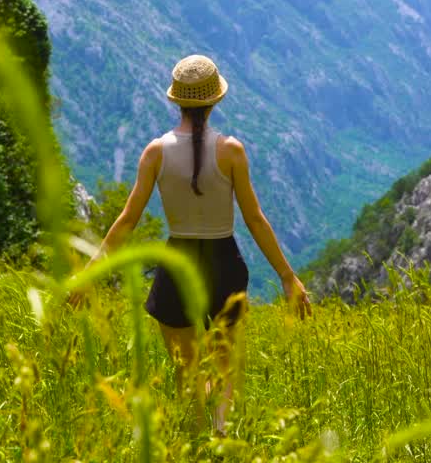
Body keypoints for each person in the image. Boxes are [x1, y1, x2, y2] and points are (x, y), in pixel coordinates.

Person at [70, 54, 312, 435]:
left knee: (187, 370)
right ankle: (221, 433)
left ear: (176, 100)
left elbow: (128, 220)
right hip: (224, 263)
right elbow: (255, 219)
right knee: (223, 366)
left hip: (177, 264)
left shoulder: (155, 152)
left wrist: (90, 273)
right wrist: (287, 276)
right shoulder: (232, 151)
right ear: (216, 100)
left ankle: (198, 440)